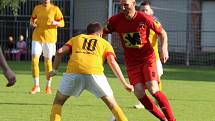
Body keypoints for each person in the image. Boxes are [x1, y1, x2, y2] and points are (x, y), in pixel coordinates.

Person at [104, 0, 176, 121]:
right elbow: (102, 32)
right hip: (132, 63)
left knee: (153, 88)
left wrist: (164, 49)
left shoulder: (145, 18)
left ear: (133, 4)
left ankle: (172, 120)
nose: (123, 7)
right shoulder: (115, 20)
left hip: (148, 59)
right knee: (138, 92)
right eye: (121, 5)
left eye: (126, 4)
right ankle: (162, 119)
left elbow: (162, 33)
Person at [49, 22, 133, 121]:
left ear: (87, 32)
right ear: (101, 34)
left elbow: (59, 52)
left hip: (73, 72)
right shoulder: (105, 43)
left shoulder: (77, 38)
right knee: (112, 105)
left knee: (58, 102)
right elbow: (112, 62)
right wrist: (124, 83)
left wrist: (54, 70)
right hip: (95, 74)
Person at [30, 0, 65, 94]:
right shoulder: (37, 8)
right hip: (37, 37)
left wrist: (55, 22)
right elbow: (32, 19)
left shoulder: (55, 9)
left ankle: (48, 86)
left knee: (48, 62)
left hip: (50, 39)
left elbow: (62, 23)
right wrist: (32, 23)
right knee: (34, 60)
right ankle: (36, 85)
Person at [134, 0, 164, 109]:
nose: (144, 12)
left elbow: (162, 34)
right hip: (140, 59)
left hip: (153, 58)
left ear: (151, 11)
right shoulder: (136, 24)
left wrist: (163, 49)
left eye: (146, 10)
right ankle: (143, 102)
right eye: (142, 10)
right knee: (141, 82)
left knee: (154, 81)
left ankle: (157, 100)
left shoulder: (154, 23)